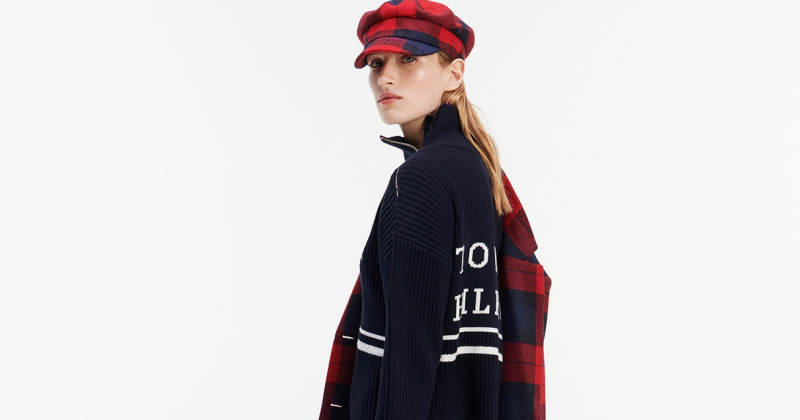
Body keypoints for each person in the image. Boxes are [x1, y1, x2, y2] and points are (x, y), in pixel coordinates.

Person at [320, 1, 551, 419]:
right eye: (376, 63)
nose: (385, 77)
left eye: (408, 59)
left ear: (454, 74)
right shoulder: (478, 168)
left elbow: (409, 355)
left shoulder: (420, 179)